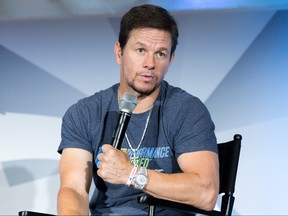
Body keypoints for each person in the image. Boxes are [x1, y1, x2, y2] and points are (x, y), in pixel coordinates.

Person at [57, 4, 219, 216]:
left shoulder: (187, 110)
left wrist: (132, 174)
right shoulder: (85, 113)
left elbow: (206, 193)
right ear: (119, 52)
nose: (150, 63)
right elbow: (73, 189)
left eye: (160, 54)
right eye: (141, 50)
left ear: (171, 60)